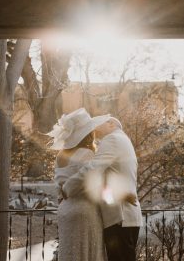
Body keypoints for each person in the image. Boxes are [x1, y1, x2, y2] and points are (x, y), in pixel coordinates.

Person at [62, 117, 143, 261]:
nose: (94, 128)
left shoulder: (112, 139)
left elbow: (93, 168)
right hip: (127, 216)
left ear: (111, 124)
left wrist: (68, 187)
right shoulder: (123, 140)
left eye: (98, 124)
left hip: (120, 217)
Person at [47, 108, 110, 261]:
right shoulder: (87, 153)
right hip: (85, 209)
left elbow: (59, 185)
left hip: (65, 210)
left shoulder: (60, 155)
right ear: (87, 133)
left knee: (70, 254)